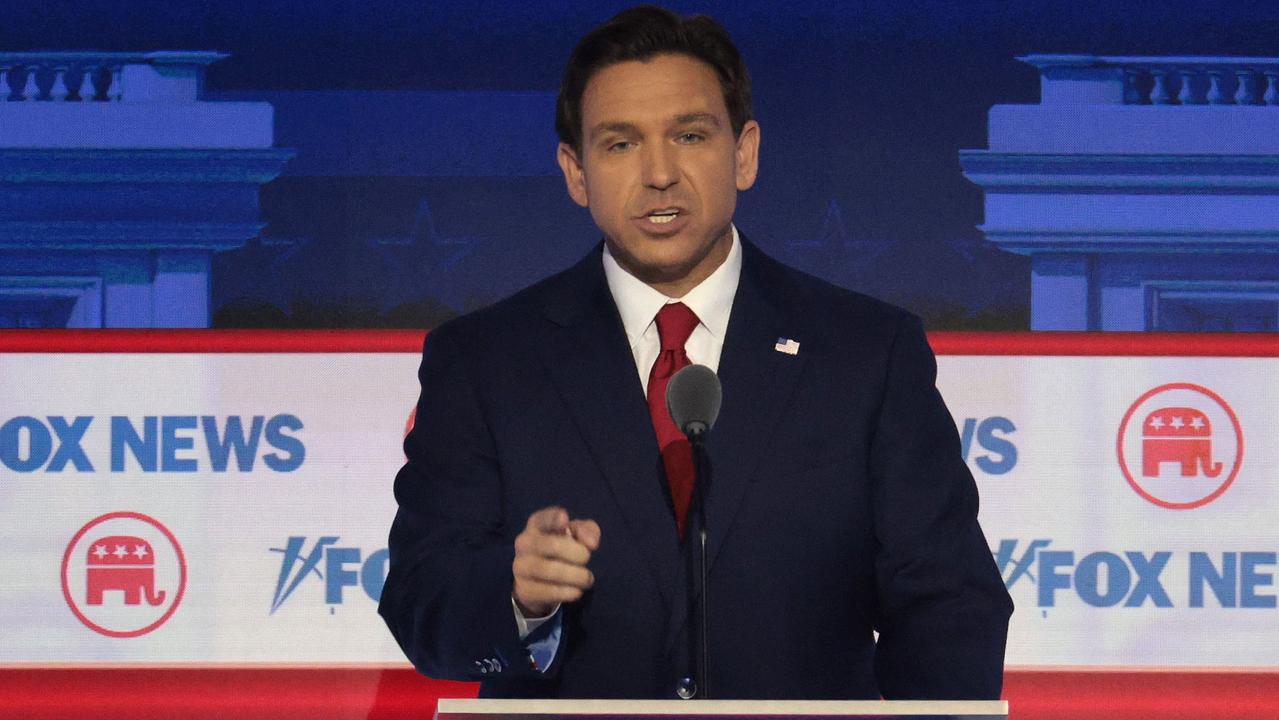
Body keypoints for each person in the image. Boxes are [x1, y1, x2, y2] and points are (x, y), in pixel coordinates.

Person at [378, 5, 1012, 700]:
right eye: (619, 144)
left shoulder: (865, 352)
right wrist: (518, 596)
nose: (658, 174)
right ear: (575, 172)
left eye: (689, 135)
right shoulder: (485, 361)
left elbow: (950, 603)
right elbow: (421, 598)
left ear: (743, 153)